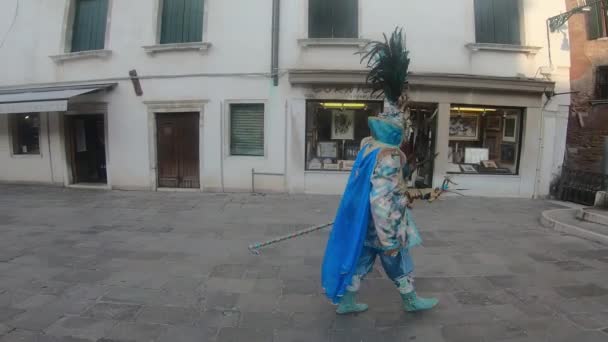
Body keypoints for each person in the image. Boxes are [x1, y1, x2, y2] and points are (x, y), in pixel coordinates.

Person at [321, 106, 439, 315]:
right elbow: (382, 199)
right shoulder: (389, 156)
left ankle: (347, 301)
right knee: (398, 259)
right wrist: (389, 238)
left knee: (363, 258)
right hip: (383, 223)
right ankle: (410, 300)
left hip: (364, 221)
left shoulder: (369, 148)